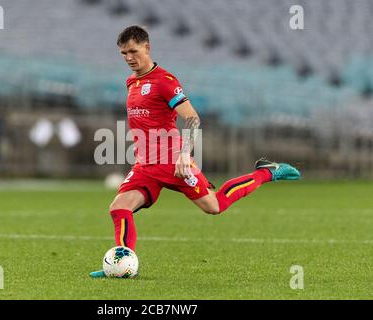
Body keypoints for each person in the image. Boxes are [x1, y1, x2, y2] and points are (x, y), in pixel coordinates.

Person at [90, 25, 300, 277]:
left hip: (173, 162)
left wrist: (183, 155)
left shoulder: (165, 82)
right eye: (123, 53)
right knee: (119, 207)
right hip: (145, 165)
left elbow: (192, 118)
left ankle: (266, 172)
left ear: (147, 47)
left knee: (214, 205)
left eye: (133, 51)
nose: (128, 58)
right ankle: (120, 264)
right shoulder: (131, 82)